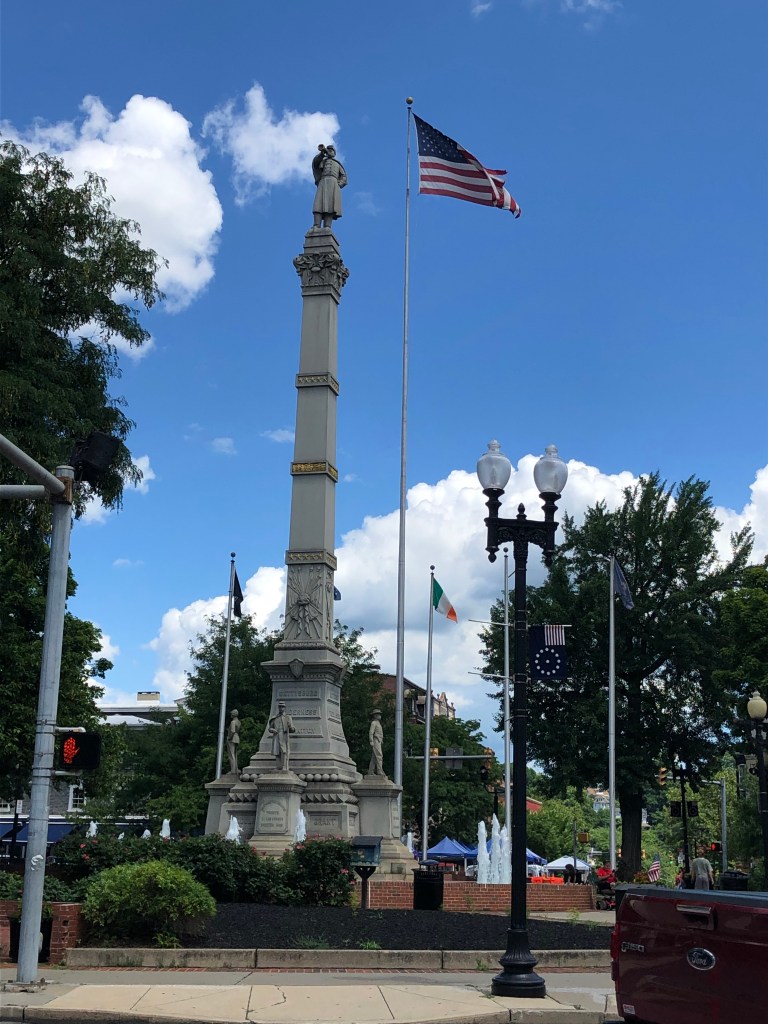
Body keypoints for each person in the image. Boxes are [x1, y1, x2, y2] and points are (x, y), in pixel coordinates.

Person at [312, 144, 347, 229]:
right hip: (323, 181)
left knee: (331, 205)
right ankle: (316, 225)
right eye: (328, 150)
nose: (329, 152)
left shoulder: (337, 164)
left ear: (334, 153)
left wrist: (339, 184)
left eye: (331, 151)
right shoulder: (322, 160)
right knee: (318, 204)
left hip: (334, 183)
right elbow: (315, 163)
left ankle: (327, 225)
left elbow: (344, 177)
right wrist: (322, 153)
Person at [268, 701, 296, 772]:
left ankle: (284, 766)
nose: (281, 708)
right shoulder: (274, 718)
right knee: (277, 751)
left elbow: (293, 729)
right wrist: (273, 730)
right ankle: (278, 766)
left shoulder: (288, 717)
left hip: (284, 736)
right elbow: (270, 728)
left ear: (284, 708)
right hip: (276, 736)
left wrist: (290, 727)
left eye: (282, 706)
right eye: (280, 706)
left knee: (284, 751)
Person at [367, 709, 385, 776]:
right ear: (375, 715)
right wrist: (371, 741)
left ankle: (371, 771)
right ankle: (379, 771)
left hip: (379, 741)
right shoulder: (374, 723)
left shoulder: (378, 723)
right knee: (379, 756)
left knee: (374, 757)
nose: (380, 715)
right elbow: (371, 732)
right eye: (378, 714)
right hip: (375, 740)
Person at [226, 708, 241, 775]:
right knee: (234, 754)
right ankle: (235, 769)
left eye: (231, 713)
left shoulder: (233, 722)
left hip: (232, 738)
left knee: (231, 755)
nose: (230, 715)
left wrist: (229, 737)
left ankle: (233, 770)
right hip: (237, 738)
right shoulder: (238, 722)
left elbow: (232, 731)